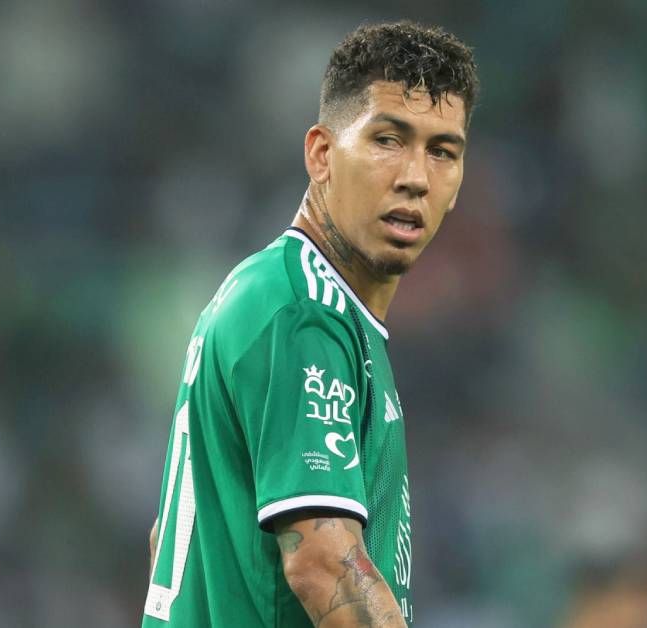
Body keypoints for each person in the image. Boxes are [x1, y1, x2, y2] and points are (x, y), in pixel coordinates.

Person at [140, 21, 478, 628]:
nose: (415, 177)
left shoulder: (289, 296)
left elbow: (169, 539)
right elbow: (324, 566)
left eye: (442, 152)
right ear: (321, 154)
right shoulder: (303, 313)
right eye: (387, 140)